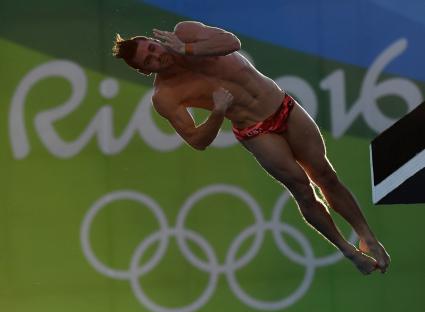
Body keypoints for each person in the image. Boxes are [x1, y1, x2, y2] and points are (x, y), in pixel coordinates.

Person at [112, 21, 390, 274]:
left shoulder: (185, 33)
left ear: (155, 39)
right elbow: (196, 141)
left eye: (152, 48)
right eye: (149, 60)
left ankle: (366, 236)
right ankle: (346, 249)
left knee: (325, 176)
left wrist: (187, 48)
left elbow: (232, 42)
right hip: (254, 129)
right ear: (145, 71)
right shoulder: (166, 95)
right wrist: (218, 112)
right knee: (301, 188)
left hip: (282, 105)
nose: (156, 55)